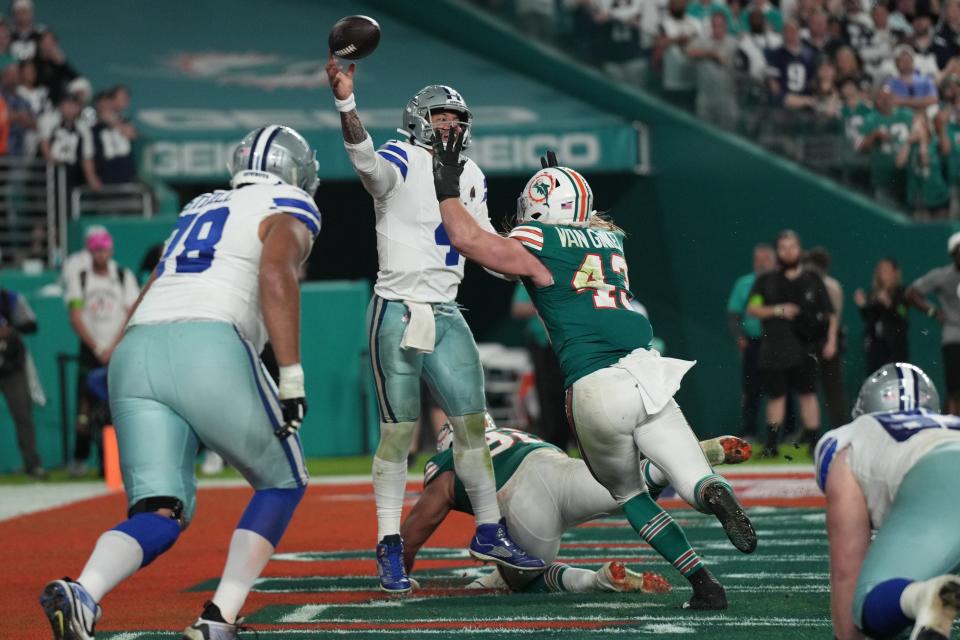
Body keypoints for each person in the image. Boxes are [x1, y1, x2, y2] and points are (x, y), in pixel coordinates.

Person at [431, 136, 758, 612]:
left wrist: (445, 183)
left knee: (629, 495)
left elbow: (469, 241)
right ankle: (716, 495)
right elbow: (572, 237)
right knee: (695, 478)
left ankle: (706, 583)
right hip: (648, 372)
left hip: (596, 385)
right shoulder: (611, 239)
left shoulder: (539, 239)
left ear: (540, 209)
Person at [38, 124, 320, 640]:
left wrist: (120, 360)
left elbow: (150, 285)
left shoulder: (199, 207)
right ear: (295, 173)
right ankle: (219, 619)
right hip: (209, 343)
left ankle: (83, 591)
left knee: (159, 509)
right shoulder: (288, 204)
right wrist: (292, 374)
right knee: (284, 480)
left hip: (137, 346)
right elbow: (276, 274)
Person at [324, 54, 543, 593]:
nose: (452, 126)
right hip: (398, 309)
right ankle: (388, 544)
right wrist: (346, 102)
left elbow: (488, 246)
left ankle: (489, 529)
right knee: (399, 435)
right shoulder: (400, 152)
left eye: (458, 119)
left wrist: (532, 253)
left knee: (474, 426)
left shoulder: (470, 173)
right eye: (443, 117)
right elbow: (368, 166)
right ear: (421, 118)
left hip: (446, 313)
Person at [401, 416, 751, 600]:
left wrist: (401, 567)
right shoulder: (513, 435)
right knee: (626, 488)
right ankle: (665, 465)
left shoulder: (449, 459)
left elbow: (422, 519)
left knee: (521, 578)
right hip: (556, 466)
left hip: (523, 497)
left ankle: (596, 580)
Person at [814, 363, 960, 640]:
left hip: (941, 478)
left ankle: (921, 597)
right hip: (943, 473)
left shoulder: (847, 441)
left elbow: (847, 569)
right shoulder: (948, 424)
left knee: (866, 602)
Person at [747, 230, 834, 456]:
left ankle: (815, 441)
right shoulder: (765, 280)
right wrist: (777, 309)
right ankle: (772, 443)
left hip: (805, 349)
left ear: (800, 249)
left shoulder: (812, 279)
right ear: (778, 251)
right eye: (783, 247)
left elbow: (829, 313)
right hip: (774, 349)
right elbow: (753, 308)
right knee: (776, 398)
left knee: (808, 395)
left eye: (793, 246)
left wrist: (830, 339)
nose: (788, 252)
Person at [62, 227, 139, 477]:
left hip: (117, 349)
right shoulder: (80, 278)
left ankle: (119, 462)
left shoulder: (122, 275)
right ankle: (80, 459)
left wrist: (113, 346)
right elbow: (75, 316)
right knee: (84, 408)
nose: (100, 255)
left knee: (120, 405)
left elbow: (130, 312)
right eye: (96, 250)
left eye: (104, 249)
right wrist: (96, 347)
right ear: (90, 252)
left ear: (111, 249)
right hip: (90, 350)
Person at [906, 231, 960, 415]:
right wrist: (932, 311)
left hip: (952, 336)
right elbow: (912, 292)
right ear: (953, 254)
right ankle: (953, 431)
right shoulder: (942, 275)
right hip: (953, 337)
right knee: (955, 390)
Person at [726, 243, 776, 439]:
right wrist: (739, 335)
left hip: (777, 343)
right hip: (754, 342)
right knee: (751, 388)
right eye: (758, 260)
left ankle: (782, 433)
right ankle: (749, 431)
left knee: (780, 390)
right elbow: (738, 312)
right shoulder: (746, 284)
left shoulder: (780, 283)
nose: (762, 264)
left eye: (766, 260)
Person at [511, 282, 567, 449]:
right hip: (544, 348)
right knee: (549, 401)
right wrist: (547, 303)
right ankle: (555, 449)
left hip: (570, 344)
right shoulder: (530, 276)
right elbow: (517, 308)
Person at [0, 284, 44, 478]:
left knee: (22, 414)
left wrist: (9, 329)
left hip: (11, 364)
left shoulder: (9, 297)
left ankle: (32, 464)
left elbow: (32, 324)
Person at [803, 247, 848, 429]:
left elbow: (834, 316)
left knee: (833, 390)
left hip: (827, 342)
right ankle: (807, 430)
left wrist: (831, 342)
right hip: (809, 342)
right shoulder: (804, 285)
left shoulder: (831, 286)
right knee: (806, 390)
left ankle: (841, 428)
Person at [854, 258, 910, 375]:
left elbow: (903, 312)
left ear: (895, 273)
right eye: (881, 271)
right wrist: (862, 305)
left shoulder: (902, 291)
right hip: (876, 344)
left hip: (895, 345)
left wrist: (889, 304)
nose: (883, 274)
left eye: (887, 271)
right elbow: (868, 317)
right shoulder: (873, 293)